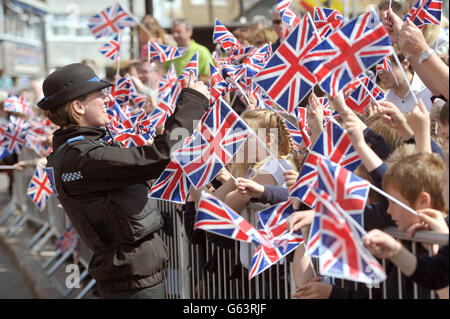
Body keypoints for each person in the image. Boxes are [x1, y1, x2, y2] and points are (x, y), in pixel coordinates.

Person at [36, 63, 210, 299]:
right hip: (133, 282)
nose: (107, 100)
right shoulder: (85, 156)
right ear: (78, 107)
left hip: (130, 274)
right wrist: (194, 100)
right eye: (99, 95)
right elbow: (164, 155)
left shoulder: (76, 152)